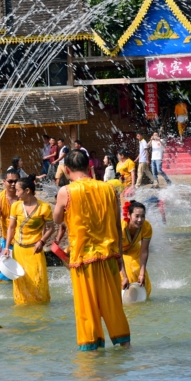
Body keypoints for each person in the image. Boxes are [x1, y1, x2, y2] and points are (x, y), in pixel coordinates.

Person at [53, 150, 131, 350]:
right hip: (109, 257)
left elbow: (57, 219)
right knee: (114, 307)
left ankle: (92, 360)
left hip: (82, 260)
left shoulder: (66, 191)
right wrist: (120, 257)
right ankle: (125, 347)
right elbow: (116, 225)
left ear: (67, 170)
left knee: (87, 310)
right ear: (89, 167)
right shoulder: (109, 189)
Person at [2, 177, 54, 304]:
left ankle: (40, 307)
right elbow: (11, 228)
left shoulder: (44, 208)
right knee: (21, 281)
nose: (16, 193)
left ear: (27, 191)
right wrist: (7, 247)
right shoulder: (16, 206)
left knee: (38, 280)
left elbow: (51, 228)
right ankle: (23, 308)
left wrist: (42, 241)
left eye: (18, 190)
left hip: (34, 251)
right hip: (18, 250)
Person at [0, 170, 21, 283]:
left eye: (16, 181)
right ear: (4, 181)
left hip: (24, 240)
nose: (13, 184)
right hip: (8, 241)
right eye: (10, 181)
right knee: (7, 273)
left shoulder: (24, 196)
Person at [121, 202, 152, 299]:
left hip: (134, 249)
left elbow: (144, 251)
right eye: (137, 216)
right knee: (128, 276)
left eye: (142, 216)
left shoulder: (146, 227)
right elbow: (117, 253)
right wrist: (124, 276)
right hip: (116, 252)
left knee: (142, 277)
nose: (140, 220)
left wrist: (142, 274)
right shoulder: (120, 228)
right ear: (129, 215)